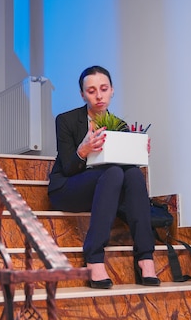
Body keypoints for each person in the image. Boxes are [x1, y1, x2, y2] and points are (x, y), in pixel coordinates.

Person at [48, 65, 160, 289]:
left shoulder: (120, 125)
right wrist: (83, 149)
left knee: (133, 174)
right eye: (91, 91)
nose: (98, 96)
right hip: (68, 188)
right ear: (82, 94)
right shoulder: (67, 120)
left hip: (108, 188)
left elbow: (126, 173)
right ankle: (94, 257)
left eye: (103, 88)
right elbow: (68, 168)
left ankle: (146, 256)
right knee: (113, 172)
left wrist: (137, 151)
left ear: (112, 90)